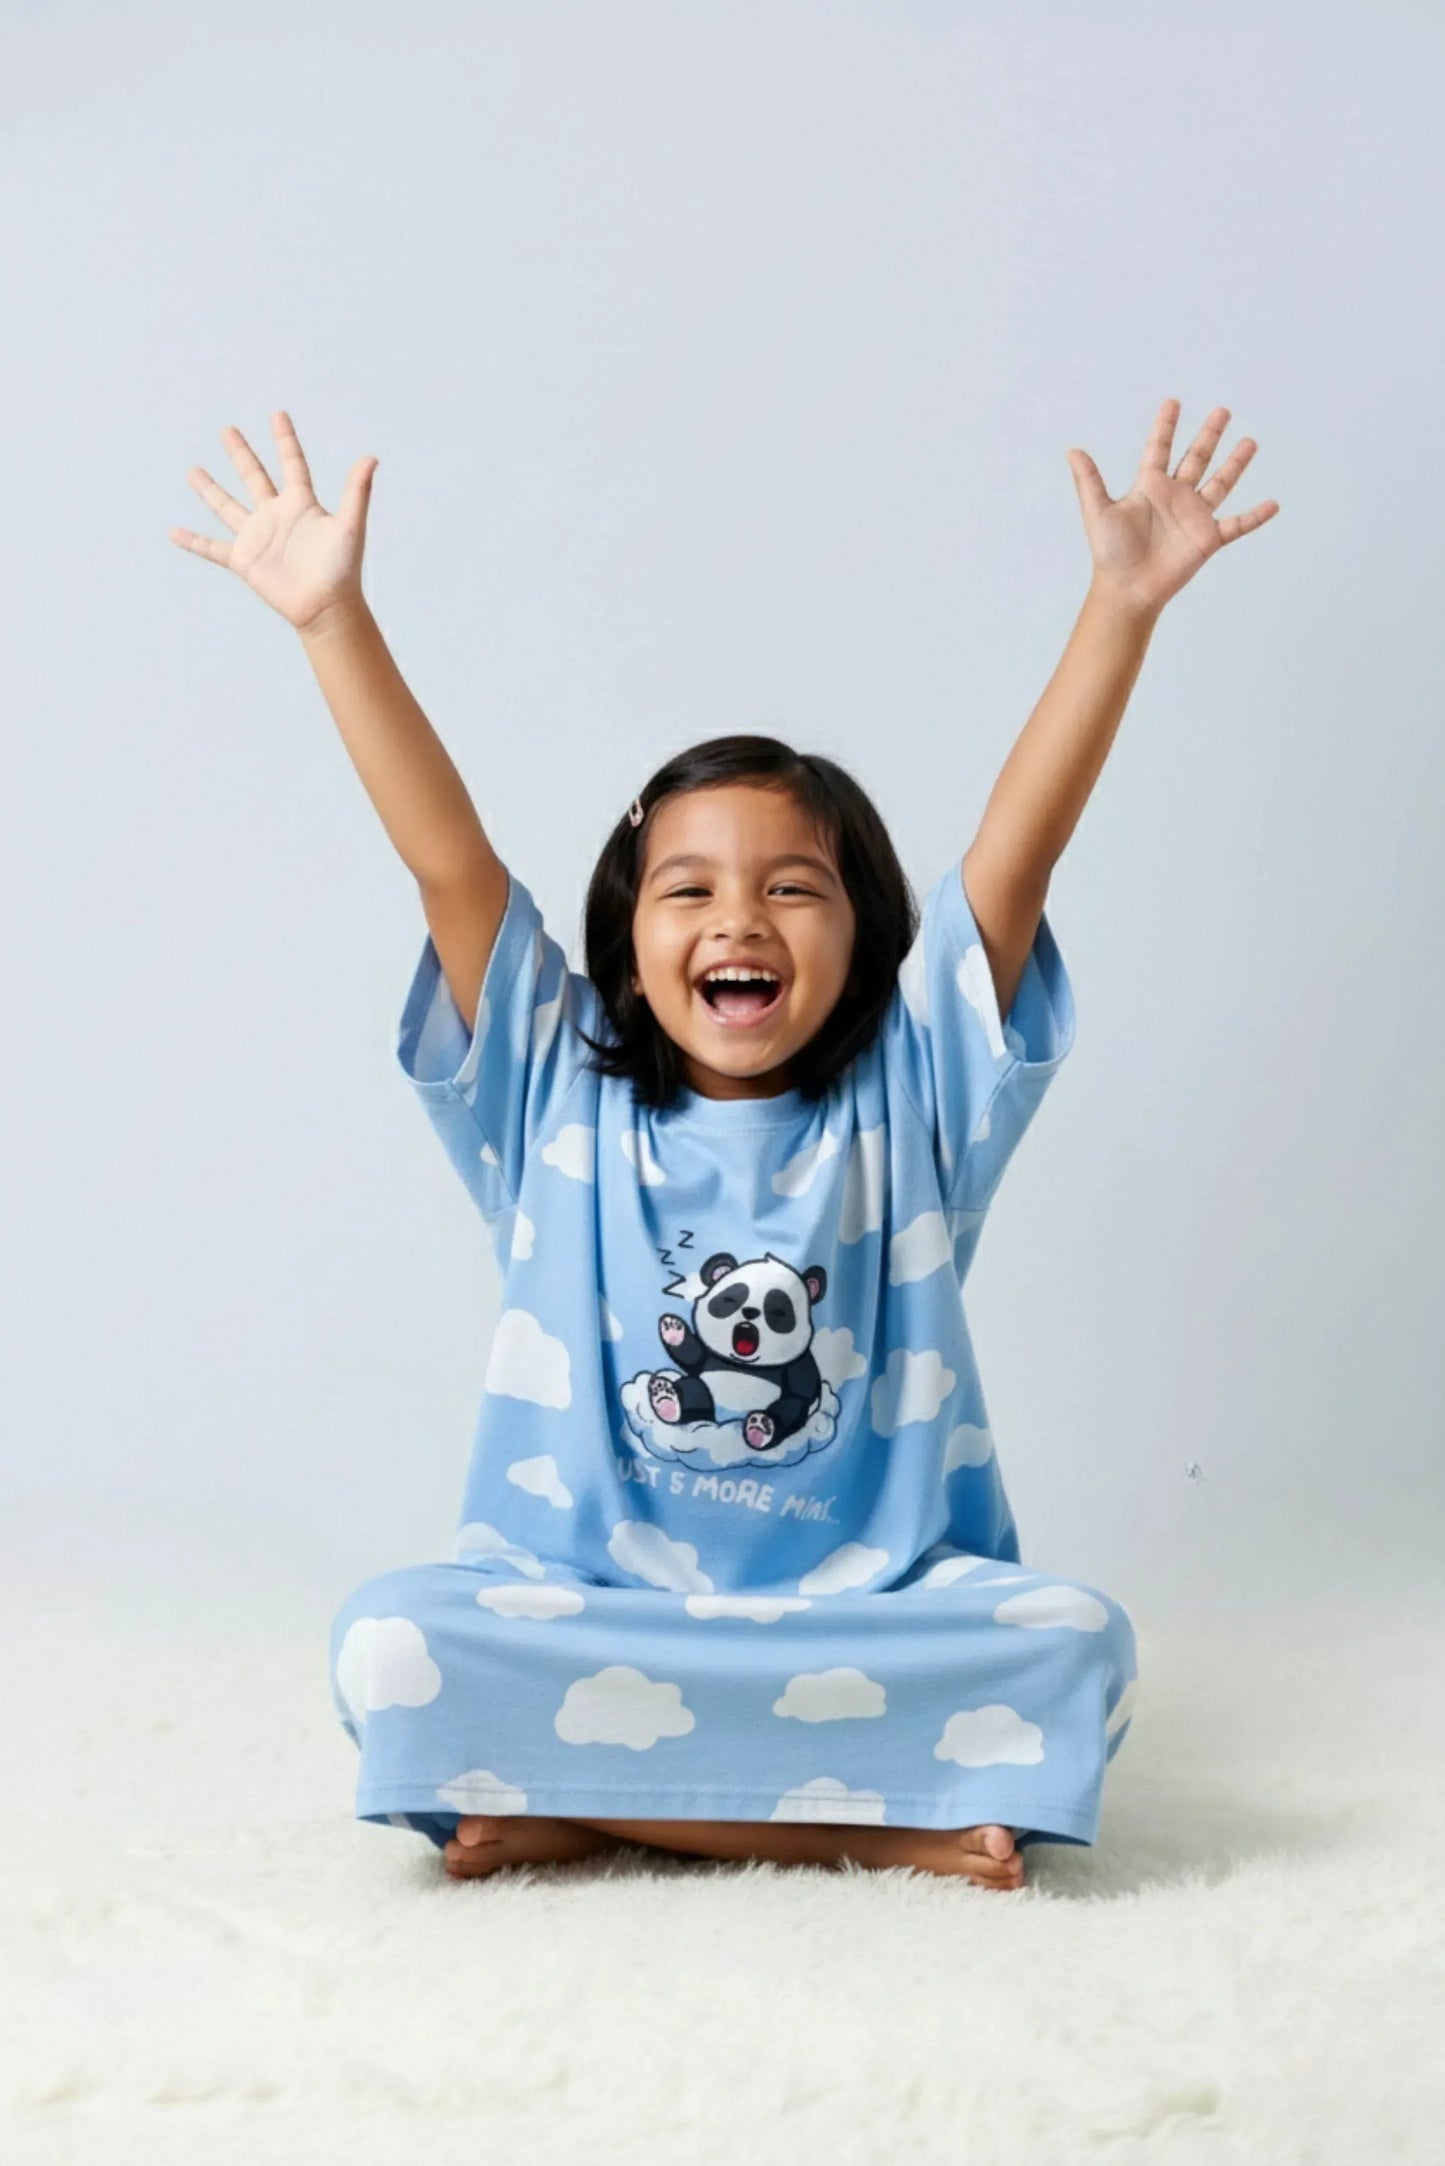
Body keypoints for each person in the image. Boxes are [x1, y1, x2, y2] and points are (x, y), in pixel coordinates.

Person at [171, 401, 1277, 1891]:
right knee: (388, 1641)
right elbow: (447, 862)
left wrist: (1118, 611)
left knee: (1078, 1644)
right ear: (625, 946)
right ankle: (867, 1822)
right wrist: (331, 622)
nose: (738, 919)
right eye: (686, 889)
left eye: (792, 888)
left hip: (873, 1618)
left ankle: (586, 1809)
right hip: (584, 1607)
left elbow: (1013, 862)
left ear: (866, 935)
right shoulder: (555, 1090)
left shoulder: (911, 1091)